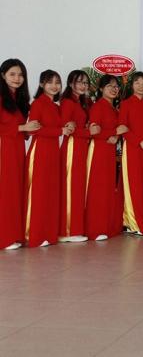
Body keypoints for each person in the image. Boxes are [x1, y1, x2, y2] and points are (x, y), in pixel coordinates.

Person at [24, 70, 73, 247]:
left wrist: (69, 124)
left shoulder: (55, 106)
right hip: (40, 152)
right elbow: (33, 130)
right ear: (41, 84)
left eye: (57, 82)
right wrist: (60, 131)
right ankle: (33, 233)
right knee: (38, 193)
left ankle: (47, 233)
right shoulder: (38, 103)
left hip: (53, 153)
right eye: (49, 82)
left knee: (50, 193)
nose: (54, 86)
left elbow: (61, 124)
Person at [85, 75, 126, 241]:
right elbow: (94, 132)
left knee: (109, 188)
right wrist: (115, 132)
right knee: (98, 189)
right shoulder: (98, 106)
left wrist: (115, 135)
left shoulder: (113, 108)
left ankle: (107, 225)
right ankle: (96, 228)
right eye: (109, 86)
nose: (114, 89)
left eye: (116, 86)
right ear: (101, 89)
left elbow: (117, 131)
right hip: (99, 152)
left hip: (110, 152)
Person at [0, 59, 35, 250]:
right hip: (4, 149)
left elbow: (22, 130)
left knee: (15, 192)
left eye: (20, 75)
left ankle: (14, 235)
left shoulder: (20, 101)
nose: (17, 78)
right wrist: (22, 128)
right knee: (6, 192)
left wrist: (28, 131)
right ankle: (4, 238)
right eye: (12, 74)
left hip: (17, 150)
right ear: (3, 75)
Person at [119, 72, 143, 236]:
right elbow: (123, 128)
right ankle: (135, 223)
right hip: (133, 149)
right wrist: (140, 142)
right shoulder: (125, 104)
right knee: (134, 185)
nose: (141, 86)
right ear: (132, 85)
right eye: (137, 83)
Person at [59, 70, 93, 243]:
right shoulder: (67, 102)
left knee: (79, 187)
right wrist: (88, 132)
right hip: (72, 147)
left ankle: (75, 227)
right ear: (71, 83)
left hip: (82, 147)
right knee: (71, 187)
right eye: (79, 82)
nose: (83, 85)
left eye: (85, 83)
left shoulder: (83, 102)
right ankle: (68, 231)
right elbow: (68, 130)